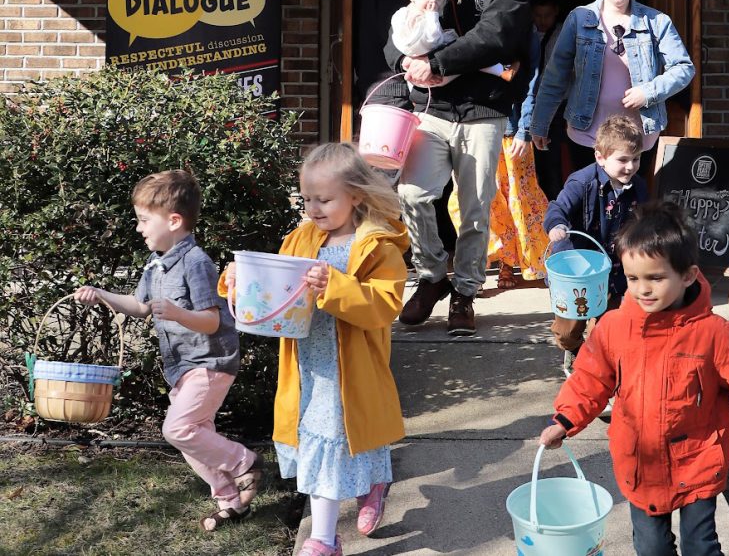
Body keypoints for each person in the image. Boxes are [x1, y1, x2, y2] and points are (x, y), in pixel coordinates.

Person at [539, 201, 729, 556]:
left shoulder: (713, 334)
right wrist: (565, 420)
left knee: (700, 546)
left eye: (656, 278)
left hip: (699, 460)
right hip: (639, 461)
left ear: (688, 276)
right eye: (633, 279)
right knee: (652, 548)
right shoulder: (614, 328)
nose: (643, 289)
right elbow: (589, 379)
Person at [222, 143, 409, 556]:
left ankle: (324, 539)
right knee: (333, 438)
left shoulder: (377, 245)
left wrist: (336, 286)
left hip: (350, 366)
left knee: (333, 437)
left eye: (324, 199)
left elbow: (385, 305)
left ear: (356, 195)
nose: (313, 208)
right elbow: (277, 285)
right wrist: (238, 278)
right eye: (306, 198)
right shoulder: (303, 237)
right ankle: (374, 482)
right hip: (308, 364)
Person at [75, 170, 263, 532]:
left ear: (174, 220)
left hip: (209, 362)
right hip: (181, 365)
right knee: (195, 433)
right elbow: (140, 305)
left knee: (178, 429)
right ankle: (231, 501)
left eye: (144, 220)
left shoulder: (196, 264)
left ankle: (244, 462)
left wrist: (178, 313)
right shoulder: (156, 262)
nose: (139, 228)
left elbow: (212, 321)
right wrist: (99, 293)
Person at [385, 0, 533, 336]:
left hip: (484, 112)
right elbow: (397, 31)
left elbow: (495, 38)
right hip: (431, 110)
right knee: (412, 195)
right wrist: (404, 59)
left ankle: (465, 292)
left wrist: (436, 62)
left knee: (474, 210)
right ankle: (432, 278)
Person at [530, 0, 696, 176]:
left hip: (639, 135)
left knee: (631, 206)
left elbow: (684, 68)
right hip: (588, 133)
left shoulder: (656, 21)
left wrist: (649, 92)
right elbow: (555, 75)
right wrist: (540, 122)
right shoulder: (579, 18)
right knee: (589, 205)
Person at [544, 115, 647, 373]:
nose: (630, 167)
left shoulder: (638, 186)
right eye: (622, 160)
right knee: (568, 331)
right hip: (579, 272)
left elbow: (648, 219)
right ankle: (574, 349)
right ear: (600, 157)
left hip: (614, 271)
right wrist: (557, 226)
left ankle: (600, 370)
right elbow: (559, 207)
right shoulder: (582, 182)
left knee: (610, 329)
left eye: (636, 159)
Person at [447, 31, 550, 290]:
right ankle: (475, 264)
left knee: (518, 197)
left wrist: (526, 128)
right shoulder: (459, 20)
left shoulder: (522, 32)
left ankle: (508, 263)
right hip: (467, 123)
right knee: (473, 197)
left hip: (511, 130)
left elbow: (532, 82)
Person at [390, 0, 507, 87]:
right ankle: (502, 71)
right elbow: (432, 40)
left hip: (422, 72)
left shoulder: (404, 12)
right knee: (467, 57)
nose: (433, 1)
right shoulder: (416, 18)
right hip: (426, 72)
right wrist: (432, 16)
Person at [530, 0, 567, 201]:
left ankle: (556, 205)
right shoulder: (527, 33)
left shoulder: (563, 34)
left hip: (558, 106)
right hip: (531, 104)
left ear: (556, 12)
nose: (542, 20)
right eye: (538, 15)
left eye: (547, 15)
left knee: (553, 162)